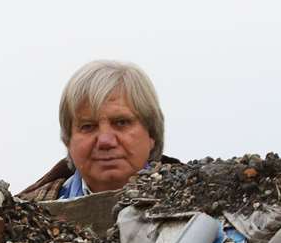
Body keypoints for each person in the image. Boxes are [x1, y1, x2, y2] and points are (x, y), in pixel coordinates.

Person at [20, 59, 173, 201]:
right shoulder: (15, 220)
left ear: (151, 134)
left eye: (121, 122)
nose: (105, 141)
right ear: (68, 140)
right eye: (88, 126)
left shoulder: (195, 209)